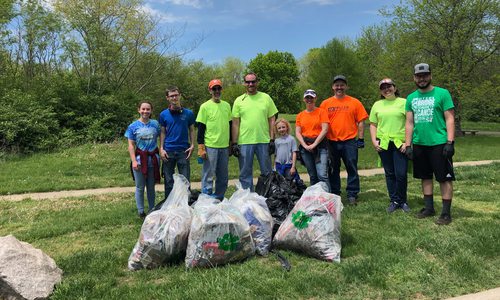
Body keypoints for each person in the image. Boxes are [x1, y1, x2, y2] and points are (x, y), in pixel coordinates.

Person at [405, 63, 455, 225]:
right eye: (419, 76)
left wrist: (450, 141)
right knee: (425, 177)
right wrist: (408, 145)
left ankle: (446, 213)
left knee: (444, 178)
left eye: (425, 75)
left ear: (430, 76)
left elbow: (450, 118)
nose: (422, 79)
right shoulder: (411, 98)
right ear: (414, 78)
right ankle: (428, 208)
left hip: (439, 143)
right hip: (420, 144)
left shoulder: (442, 93)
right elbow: (409, 123)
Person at [320, 75, 368, 205]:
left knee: (351, 167)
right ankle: (335, 193)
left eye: (342, 85)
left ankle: (352, 194)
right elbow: (322, 123)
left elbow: (361, 121)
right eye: (337, 85)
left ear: (346, 86)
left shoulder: (355, 102)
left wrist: (361, 138)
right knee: (333, 168)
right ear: (333, 87)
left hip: (349, 141)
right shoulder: (325, 103)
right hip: (331, 141)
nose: (339, 87)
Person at [231, 72, 278, 191]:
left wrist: (272, 139)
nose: (250, 84)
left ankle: (267, 197)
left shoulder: (266, 97)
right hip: (245, 141)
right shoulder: (239, 100)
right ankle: (248, 200)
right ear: (244, 83)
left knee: (267, 172)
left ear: (257, 82)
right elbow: (235, 123)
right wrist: (234, 143)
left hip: (264, 140)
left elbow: (272, 119)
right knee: (245, 174)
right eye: (248, 82)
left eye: (253, 81)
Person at [369, 78, 410, 213]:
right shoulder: (377, 105)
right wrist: (374, 141)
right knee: (390, 173)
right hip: (384, 143)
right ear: (381, 91)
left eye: (389, 86)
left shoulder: (404, 102)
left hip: (400, 143)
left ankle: (402, 200)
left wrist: (407, 142)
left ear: (395, 87)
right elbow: (373, 124)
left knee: (401, 173)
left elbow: (410, 123)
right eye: (383, 88)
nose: (387, 89)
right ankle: (394, 200)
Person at [196, 79, 232, 200]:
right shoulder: (205, 106)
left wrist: (231, 143)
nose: (216, 91)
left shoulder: (227, 105)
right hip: (210, 146)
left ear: (221, 90)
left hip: (224, 146)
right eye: (214, 89)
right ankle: (206, 201)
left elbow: (230, 125)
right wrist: (201, 147)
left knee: (223, 176)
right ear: (210, 90)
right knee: (208, 175)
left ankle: (218, 198)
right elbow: (200, 128)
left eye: (218, 88)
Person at [125, 101, 161, 218]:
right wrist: (134, 160)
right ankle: (141, 211)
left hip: (153, 159)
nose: (145, 111)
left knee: (151, 187)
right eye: (143, 109)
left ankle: (152, 209)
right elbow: (131, 145)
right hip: (140, 160)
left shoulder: (155, 124)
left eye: (148, 109)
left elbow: (162, 137)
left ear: (151, 111)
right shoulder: (133, 126)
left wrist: (161, 150)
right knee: (140, 186)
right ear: (139, 110)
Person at [159, 86, 195, 199]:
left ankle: (186, 204)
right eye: (171, 96)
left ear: (179, 95)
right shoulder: (163, 114)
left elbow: (192, 130)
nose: (174, 97)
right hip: (168, 151)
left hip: (183, 151)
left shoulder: (188, 113)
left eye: (176, 95)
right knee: (169, 181)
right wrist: (161, 148)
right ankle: (169, 206)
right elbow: (163, 132)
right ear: (167, 98)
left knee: (185, 181)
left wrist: (193, 145)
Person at [295, 89, 329, 190]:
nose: (309, 100)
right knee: (313, 175)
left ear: (315, 99)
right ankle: (315, 198)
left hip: (320, 146)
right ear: (304, 99)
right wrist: (305, 145)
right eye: (307, 98)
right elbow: (297, 132)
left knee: (322, 174)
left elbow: (325, 129)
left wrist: (314, 144)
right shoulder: (300, 115)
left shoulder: (321, 112)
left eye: (311, 97)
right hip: (306, 147)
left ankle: (327, 197)